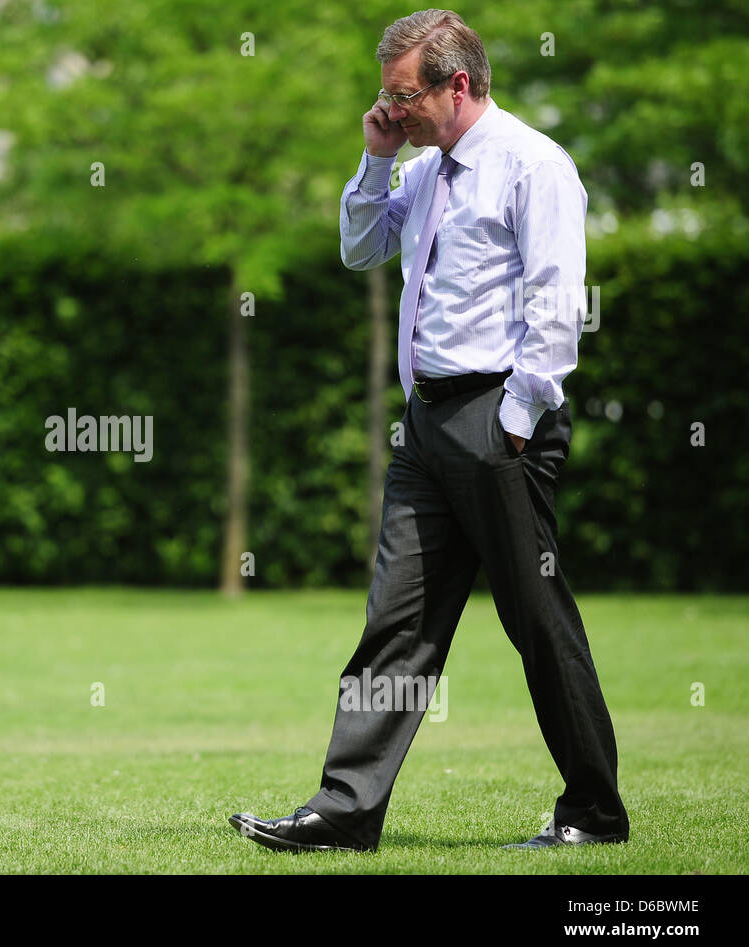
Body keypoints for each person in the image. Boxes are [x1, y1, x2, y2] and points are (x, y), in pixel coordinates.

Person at [229, 8, 629, 852]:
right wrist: (376, 158)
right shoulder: (419, 170)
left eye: (403, 96)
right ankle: (344, 812)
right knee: (397, 623)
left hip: (500, 419)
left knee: (536, 619)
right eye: (385, 94)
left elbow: (558, 304)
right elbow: (361, 249)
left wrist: (516, 420)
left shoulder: (532, 165)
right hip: (426, 425)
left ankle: (593, 815)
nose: (393, 108)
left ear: (458, 84)